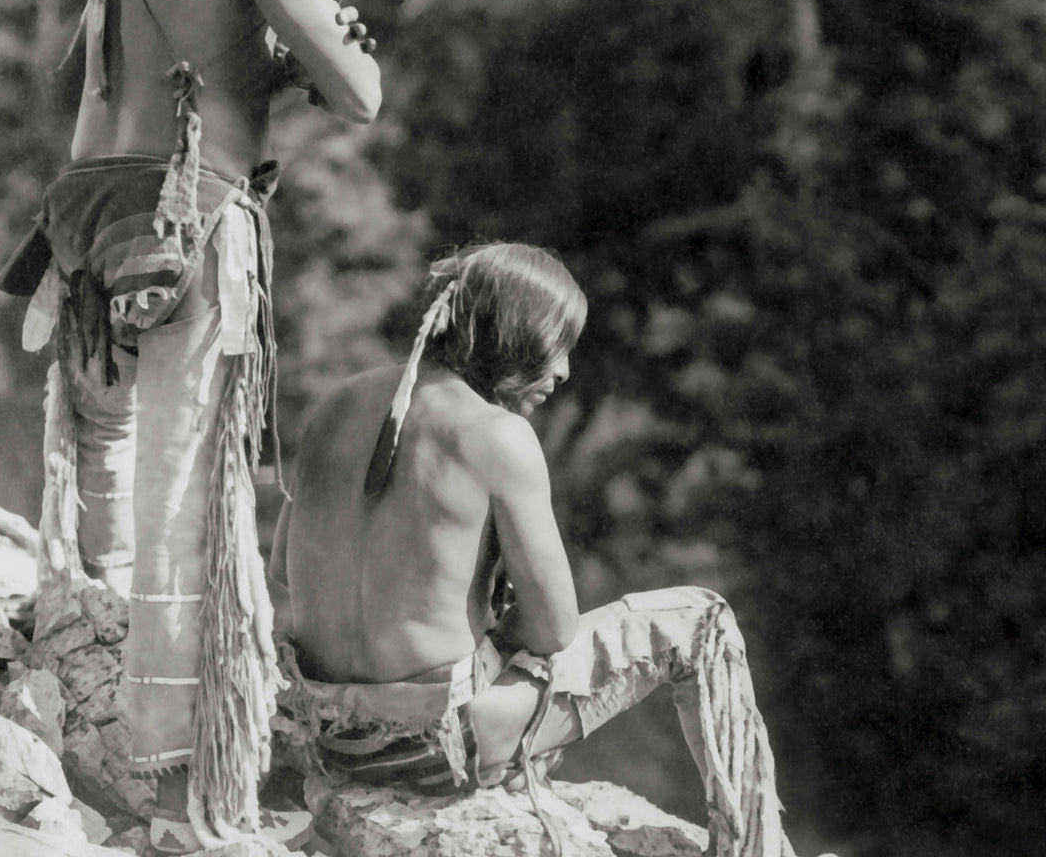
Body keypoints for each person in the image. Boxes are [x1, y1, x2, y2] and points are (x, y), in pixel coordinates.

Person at [0, 0, 378, 851]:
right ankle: (173, 780)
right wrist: (326, 46)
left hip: (95, 208)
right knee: (185, 501)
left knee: (110, 491)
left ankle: (84, 731)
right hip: (192, 216)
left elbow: (110, 73)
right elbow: (359, 91)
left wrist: (60, 248)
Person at [270, 242, 804, 857]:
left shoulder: (336, 404)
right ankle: (756, 849)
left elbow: (283, 569)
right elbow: (554, 628)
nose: (565, 372)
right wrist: (493, 638)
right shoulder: (498, 435)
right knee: (702, 620)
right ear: (513, 339)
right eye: (557, 348)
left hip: (330, 740)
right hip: (434, 751)